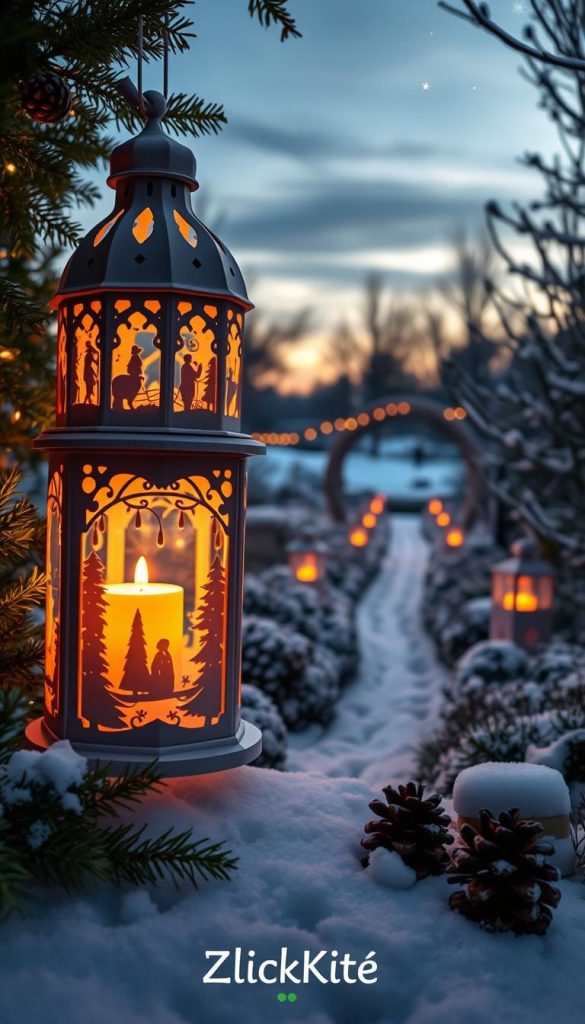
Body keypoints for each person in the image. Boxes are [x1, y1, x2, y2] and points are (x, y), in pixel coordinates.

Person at [82, 340, 98, 405]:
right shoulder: (89, 355)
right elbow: (94, 362)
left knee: (89, 388)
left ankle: (88, 401)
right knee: (89, 388)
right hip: (88, 373)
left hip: (87, 373)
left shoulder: (88, 355)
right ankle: (85, 402)